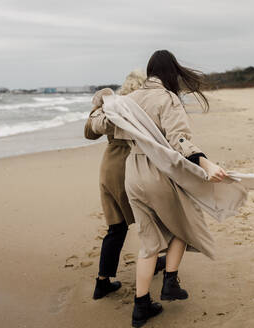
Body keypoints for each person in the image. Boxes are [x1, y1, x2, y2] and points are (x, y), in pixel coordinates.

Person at [111, 50, 228, 327]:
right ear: (170, 72)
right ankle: (170, 283)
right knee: (184, 225)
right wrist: (205, 163)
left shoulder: (128, 100)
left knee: (149, 242)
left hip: (132, 174)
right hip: (158, 171)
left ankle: (140, 308)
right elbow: (179, 140)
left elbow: (101, 123)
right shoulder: (168, 98)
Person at [84, 70, 166, 300]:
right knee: (150, 219)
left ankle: (102, 281)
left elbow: (89, 133)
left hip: (108, 167)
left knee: (116, 227)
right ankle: (155, 264)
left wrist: (97, 105)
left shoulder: (112, 106)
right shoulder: (141, 107)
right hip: (131, 166)